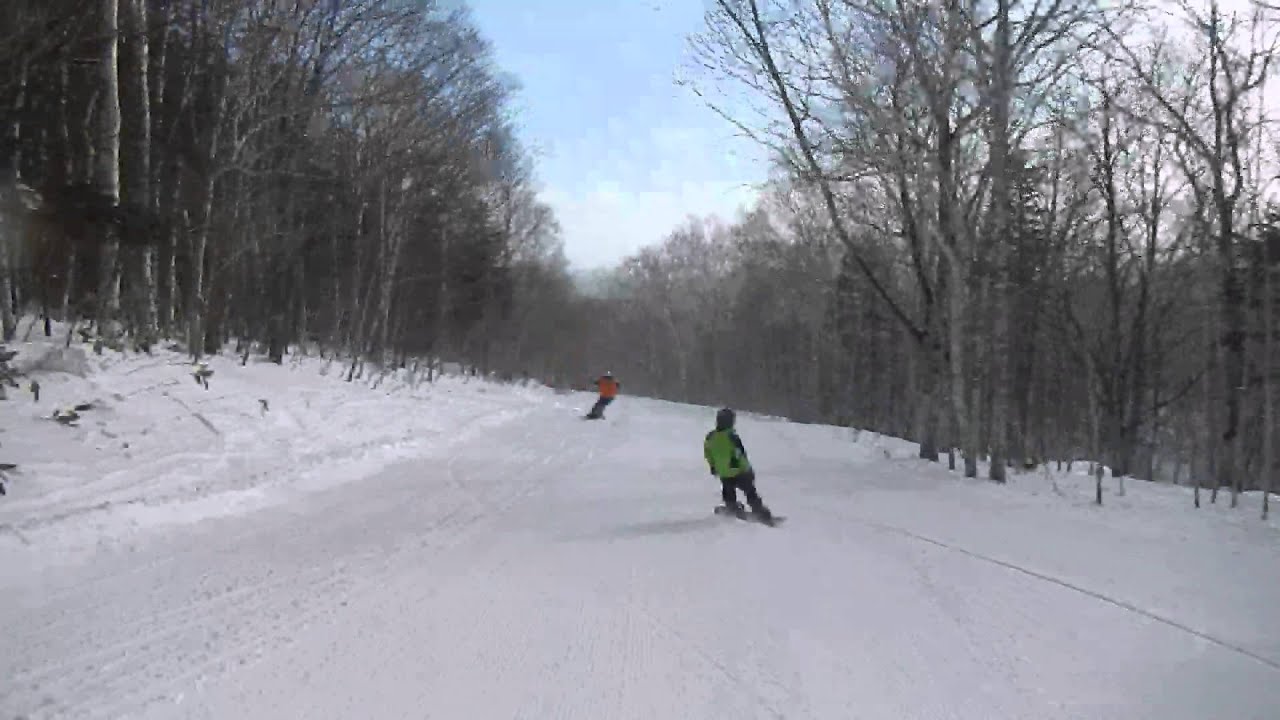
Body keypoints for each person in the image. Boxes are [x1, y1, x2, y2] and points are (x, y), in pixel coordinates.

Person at [704, 407, 774, 524]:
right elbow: (739, 454)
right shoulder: (731, 436)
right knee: (749, 490)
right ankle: (759, 511)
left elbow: (708, 453)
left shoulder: (710, 437)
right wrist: (747, 469)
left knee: (728, 489)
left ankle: (731, 506)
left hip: (723, 471)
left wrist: (713, 466)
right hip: (738, 470)